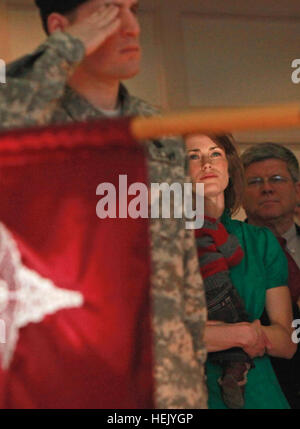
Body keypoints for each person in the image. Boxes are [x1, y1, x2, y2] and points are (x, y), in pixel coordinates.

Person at [0, 0, 208, 408]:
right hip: (66, 372)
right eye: (110, 13)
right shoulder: (34, 133)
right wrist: (64, 49)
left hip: (166, 379)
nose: (132, 27)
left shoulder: (158, 130)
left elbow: (182, 264)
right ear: (62, 28)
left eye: (133, 9)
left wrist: (191, 366)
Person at [186, 133, 296, 409]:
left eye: (215, 154)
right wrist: (242, 334)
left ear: (229, 168)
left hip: (261, 394)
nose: (207, 164)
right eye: (193, 156)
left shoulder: (259, 241)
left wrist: (218, 333)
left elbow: (286, 342)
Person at [241, 142, 300, 408]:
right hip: (256, 389)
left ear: (297, 189)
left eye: (277, 179)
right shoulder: (220, 251)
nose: (267, 188)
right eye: (254, 182)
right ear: (240, 194)